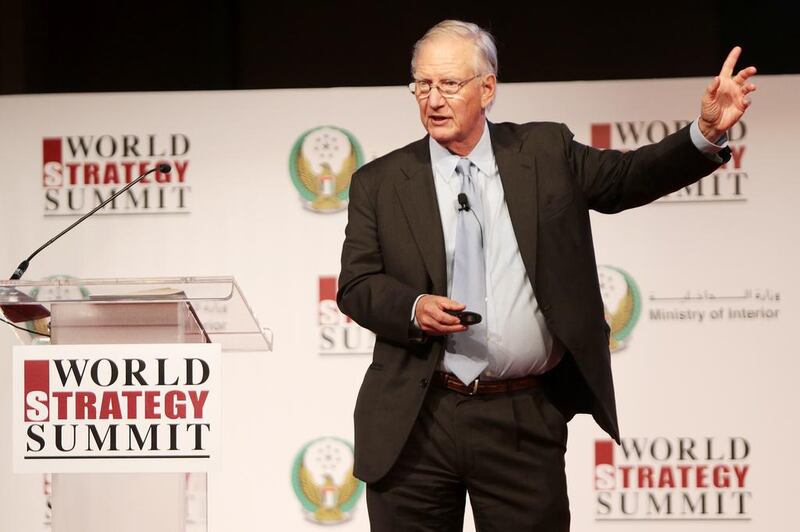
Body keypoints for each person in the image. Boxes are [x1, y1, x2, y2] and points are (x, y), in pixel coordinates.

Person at [337, 19, 756, 531]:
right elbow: (356, 286)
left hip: (521, 416)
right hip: (416, 419)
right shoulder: (379, 182)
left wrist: (706, 132)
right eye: (422, 85)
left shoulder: (544, 152)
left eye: (449, 84)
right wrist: (413, 308)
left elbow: (627, 179)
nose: (434, 99)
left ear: (487, 88)